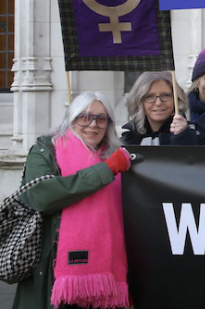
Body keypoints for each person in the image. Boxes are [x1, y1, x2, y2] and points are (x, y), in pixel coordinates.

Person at [13, 91, 132, 309]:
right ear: (71, 118)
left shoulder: (117, 155)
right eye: (84, 117)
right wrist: (106, 170)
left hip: (109, 275)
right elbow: (42, 195)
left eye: (101, 118)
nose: (93, 125)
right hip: (53, 272)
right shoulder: (46, 150)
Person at [120, 71, 189, 146]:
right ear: (139, 101)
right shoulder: (127, 141)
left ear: (176, 99)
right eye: (149, 96)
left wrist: (183, 137)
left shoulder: (194, 136)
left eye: (165, 95)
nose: (158, 103)